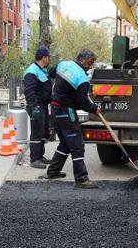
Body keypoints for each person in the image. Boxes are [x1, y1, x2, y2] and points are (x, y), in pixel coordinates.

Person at [45, 49, 100, 189]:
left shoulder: (64, 64)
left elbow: (51, 73)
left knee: (65, 143)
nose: (91, 66)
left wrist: (62, 88)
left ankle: (53, 171)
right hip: (66, 111)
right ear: (81, 59)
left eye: (92, 63)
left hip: (55, 110)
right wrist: (94, 108)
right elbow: (83, 103)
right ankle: (81, 179)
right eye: (90, 63)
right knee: (77, 145)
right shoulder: (82, 79)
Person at [22, 46, 53, 169]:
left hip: (43, 105)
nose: (49, 59)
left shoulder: (42, 70)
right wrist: (34, 107)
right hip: (36, 106)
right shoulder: (32, 71)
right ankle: (34, 159)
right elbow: (29, 91)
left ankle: (40, 156)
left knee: (43, 131)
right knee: (37, 132)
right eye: (48, 56)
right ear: (44, 57)